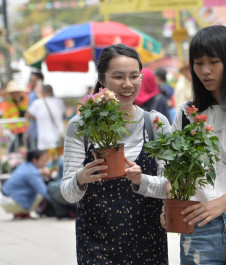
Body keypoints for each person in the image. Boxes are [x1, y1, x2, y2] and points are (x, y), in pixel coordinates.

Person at [126, 25, 226, 264]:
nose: (205, 71)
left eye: (213, 62)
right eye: (198, 63)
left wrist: (221, 203)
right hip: (199, 225)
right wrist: (171, 203)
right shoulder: (188, 114)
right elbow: (175, 171)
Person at [60, 44, 170, 264]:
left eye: (134, 76)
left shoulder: (155, 123)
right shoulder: (79, 126)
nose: (128, 84)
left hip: (148, 243)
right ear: (102, 79)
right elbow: (67, 193)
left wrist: (142, 180)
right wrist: (80, 180)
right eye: (118, 77)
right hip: (95, 244)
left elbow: (170, 186)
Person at [0, 150, 53, 219]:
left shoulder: (25, 165)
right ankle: (23, 212)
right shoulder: (33, 172)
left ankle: (21, 212)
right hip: (11, 203)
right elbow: (44, 191)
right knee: (40, 193)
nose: (45, 163)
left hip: (5, 199)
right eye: (43, 160)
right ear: (35, 160)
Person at [26, 84, 65, 151]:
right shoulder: (59, 102)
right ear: (52, 92)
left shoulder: (37, 103)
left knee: (46, 160)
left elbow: (27, 115)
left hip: (44, 141)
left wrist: (36, 117)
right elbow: (64, 113)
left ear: (42, 93)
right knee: (59, 159)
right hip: (59, 138)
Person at [0, 80, 29, 152]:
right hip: (15, 131)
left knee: (29, 150)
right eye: (12, 93)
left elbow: (27, 112)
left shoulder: (25, 100)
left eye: (16, 92)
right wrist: (7, 131)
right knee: (12, 151)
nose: (14, 94)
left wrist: (19, 101)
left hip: (26, 131)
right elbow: (6, 118)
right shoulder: (7, 104)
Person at [47, 155, 76, 220]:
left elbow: (59, 176)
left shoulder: (62, 157)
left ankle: (62, 213)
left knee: (50, 187)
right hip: (84, 195)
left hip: (67, 192)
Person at [27, 70, 44, 150]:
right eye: (30, 80)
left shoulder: (46, 93)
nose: (30, 82)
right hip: (34, 131)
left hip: (43, 132)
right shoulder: (31, 94)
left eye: (33, 80)